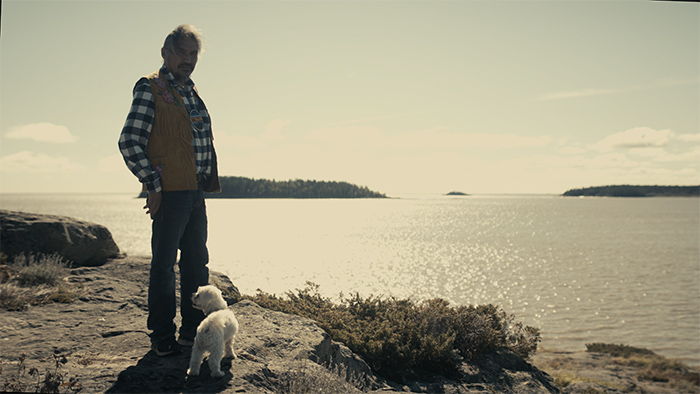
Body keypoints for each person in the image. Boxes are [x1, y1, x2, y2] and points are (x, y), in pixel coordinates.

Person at [118, 24, 221, 357]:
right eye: (181, 52)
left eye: (193, 54)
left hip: (194, 193)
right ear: (165, 53)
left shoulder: (191, 91)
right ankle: (162, 335)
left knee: (196, 264)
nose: (188, 60)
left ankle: (192, 332)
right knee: (164, 266)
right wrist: (152, 183)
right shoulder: (151, 87)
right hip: (171, 192)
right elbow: (129, 141)